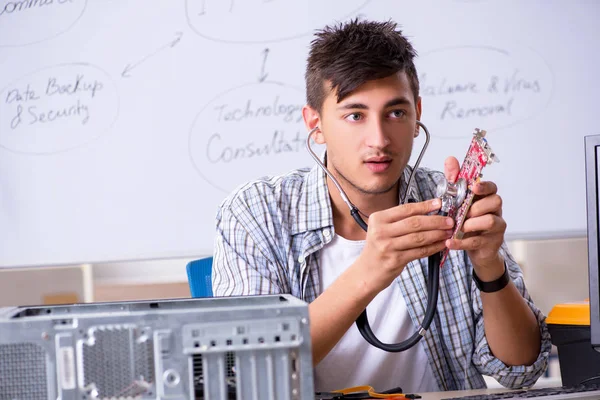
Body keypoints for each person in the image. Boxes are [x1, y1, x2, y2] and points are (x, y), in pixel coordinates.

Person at [212, 19, 550, 393]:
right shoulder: (257, 212)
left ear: (417, 113)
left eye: (395, 113)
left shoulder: (450, 200)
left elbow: (521, 371)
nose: (379, 139)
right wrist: (372, 270)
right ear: (316, 123)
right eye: (355, 115)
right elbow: (248, 378)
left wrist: (489, 266)